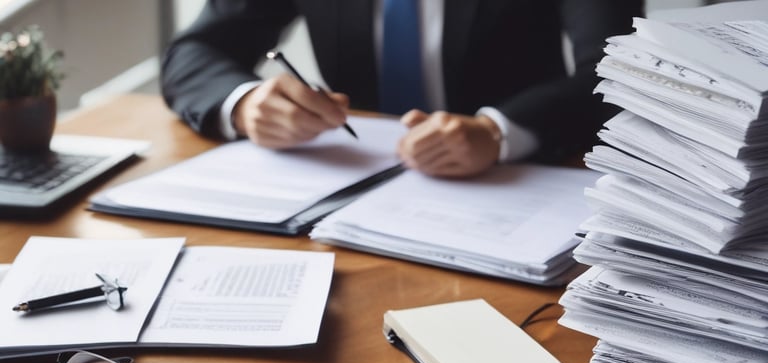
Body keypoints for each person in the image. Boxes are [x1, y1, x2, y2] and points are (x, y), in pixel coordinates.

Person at [161, 1, 643, 178]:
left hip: (520, 182)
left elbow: (614, 69)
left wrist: (498, 132)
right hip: (352, 187)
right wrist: (246, 103)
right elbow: (195, 52)